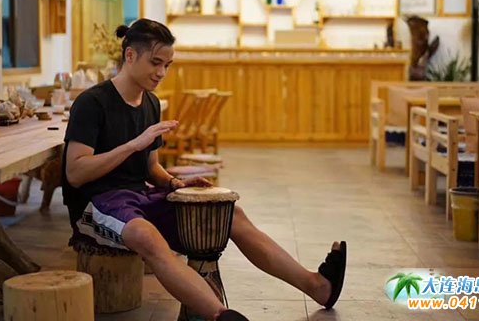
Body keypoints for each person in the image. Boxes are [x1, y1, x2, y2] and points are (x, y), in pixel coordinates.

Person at [62, 18, 346, 321]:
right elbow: (75, 173)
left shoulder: (151, 103)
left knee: (230, 213)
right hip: (96, 204)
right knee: (147, 236)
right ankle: (219, 315)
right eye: (155, 63)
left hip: (138, 197)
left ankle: (317, 285)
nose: (162, 72)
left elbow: (151, 168)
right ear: (130, 55)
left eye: (167, 65)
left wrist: (174, 183)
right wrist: (133, 144)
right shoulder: (92, 102)